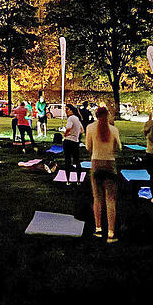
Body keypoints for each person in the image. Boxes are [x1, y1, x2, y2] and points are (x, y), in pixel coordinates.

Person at [85, 106, 121, 243]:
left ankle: (98, 228)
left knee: (97, 198)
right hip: (110, 164)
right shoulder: (114, 129)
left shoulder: (90, 128)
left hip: (96, 163)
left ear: (96, 115)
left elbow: (88, 147)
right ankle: (111, 232)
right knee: (110, 199)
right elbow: (118, 147)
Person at [62, 104, 84, 186]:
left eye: (67, 109)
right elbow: (82, 130)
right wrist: (76, 133)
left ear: (71, 110)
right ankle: (78, 180)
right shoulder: (77, 119)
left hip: (68, 141)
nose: (66, 111)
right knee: (77, 160)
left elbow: (68, 127)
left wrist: (66, 134)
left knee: (67, 160)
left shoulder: (70, 118)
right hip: (75, 141)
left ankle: (68, 180)